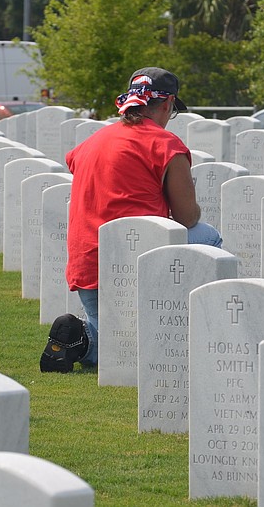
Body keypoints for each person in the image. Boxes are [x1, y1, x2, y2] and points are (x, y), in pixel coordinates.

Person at [40, 67, 222, 373]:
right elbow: (187, 217)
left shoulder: (92, 141)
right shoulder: (166, 144)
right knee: (208, 237)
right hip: (138, 260)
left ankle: (81, 342)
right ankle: (202, 328)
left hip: (89, 262)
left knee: (110, 334)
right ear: (167, 104)